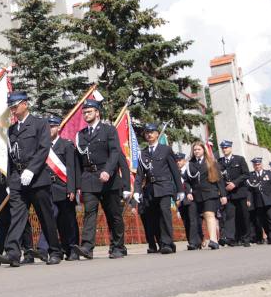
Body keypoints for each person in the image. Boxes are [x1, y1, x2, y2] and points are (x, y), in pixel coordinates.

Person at [0, 92, 62, 267]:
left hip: (37, 178)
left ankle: (55, 251)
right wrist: (10, 181)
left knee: (45, 216)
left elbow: (43, 149)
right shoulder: (11, 129)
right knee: (17, 216)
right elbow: (11, 157)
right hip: (17, 179)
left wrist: (32, 170)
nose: (13, 109)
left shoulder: (40, 124)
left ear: (25, 104)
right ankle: (13, 253)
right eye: (11, 107)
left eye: (15, 106)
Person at [73, 99, 125, 259]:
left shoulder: (109, 130)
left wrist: (108, 170)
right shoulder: (81, 135)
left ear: (97, 112)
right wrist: (78, 184)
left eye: (89, 112)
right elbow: (78, 160)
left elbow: (115, 152)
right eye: (84, 112)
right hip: (89, 177)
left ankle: (117, 246)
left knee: (113, 214)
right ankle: (87, 247)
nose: (86, 115)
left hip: (108, 178)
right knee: (89, 212)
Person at [134, 123, 181, 254]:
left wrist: (180, 190)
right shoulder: (143, 153)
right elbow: (140, 174)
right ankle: (164, 242)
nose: (149, 134)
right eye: (147, 132)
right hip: (150, 188)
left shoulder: (165, 149)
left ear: (156, 134)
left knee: (165, 214)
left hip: (164, 186)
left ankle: (167, 243)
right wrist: (137, 190)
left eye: (152, 132)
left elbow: (175, 171)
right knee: (154, 216)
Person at [45, 115, 79, 260]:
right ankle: (58, 248)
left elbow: (71, 168)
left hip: (63, 187)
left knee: (68, 220)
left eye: (52, 126)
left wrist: (72, 189)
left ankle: (72, 248)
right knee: (53, 220)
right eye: (47, 127)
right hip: (48, 188)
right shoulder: (43, 146)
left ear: (58, 127)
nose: (49, 129)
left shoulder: (66, 145)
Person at [184, 141, 227, 249]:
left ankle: (213, 240)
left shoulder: (211, 162)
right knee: (194, 217)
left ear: (203, 150)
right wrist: (188, 192)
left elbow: (219, 180)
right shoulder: (190, 164)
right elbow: (186, 180)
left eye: (199, 149)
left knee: (209, 214)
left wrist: (223, 195)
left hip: (210, 193)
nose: (196, 151)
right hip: (196, 194)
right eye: (195, 150)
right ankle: (195, 242)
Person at [217, 140, 251, 247]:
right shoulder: (219, 162)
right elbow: (219, 179)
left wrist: (235, 183)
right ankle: (233, 238)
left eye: (226, 147)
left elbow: (246, 174)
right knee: (230, 216)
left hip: (240, 192)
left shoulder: (239, 159)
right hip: (228, 194)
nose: (224, 150)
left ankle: (246, 238)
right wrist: (222, 194)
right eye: (223, 148)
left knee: (243, 216)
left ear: (230, 148)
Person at [245, 158, 271, 245]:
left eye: (258, 164)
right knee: (263, 220)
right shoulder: (251, 175)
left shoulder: (269, 173)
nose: (257, 166)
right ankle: (269, 236)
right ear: (253, 166)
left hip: (270, 200)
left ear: (261, 164)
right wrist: (248, 199)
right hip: (258, 201)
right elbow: (249, 190)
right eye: (255, 165)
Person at [174, 153, 201, 250]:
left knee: (193, 219)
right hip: (180, 200)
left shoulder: (189, 170)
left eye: (180, 160)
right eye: (176, 161)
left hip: (191, 198)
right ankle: (192, 241)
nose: (178, 162)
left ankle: (194, 242)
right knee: (186, 221)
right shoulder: (175, 173)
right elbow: (173, 187)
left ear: (184, 160)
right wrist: (176, 200)